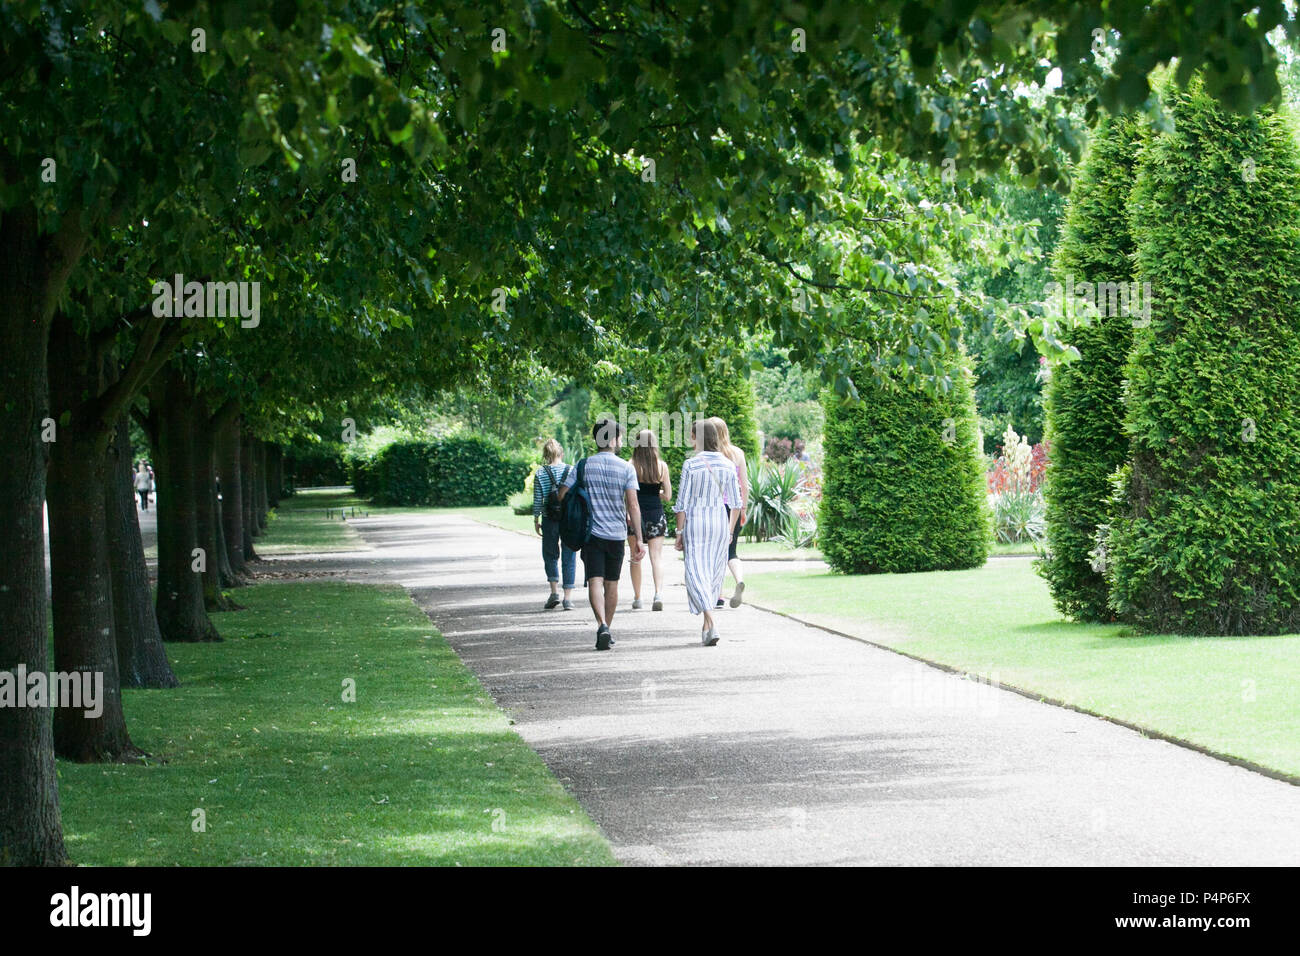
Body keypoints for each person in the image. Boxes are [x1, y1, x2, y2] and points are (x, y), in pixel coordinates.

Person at [558, 419, 646, 650]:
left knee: (594, 581)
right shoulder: (626, 468)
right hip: (616, 535)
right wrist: (639, 538)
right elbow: (633, 505)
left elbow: (563, 494)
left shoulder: (583, 465)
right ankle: (607, 626)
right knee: (612, 583)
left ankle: (601, 625)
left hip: (591, 533)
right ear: (614, 439)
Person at [674, 418, 742, 646]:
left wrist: (679, 531)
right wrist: (730, 530)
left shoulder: (691, 464)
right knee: (713, 573)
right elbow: (736, 503)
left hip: (697, 523)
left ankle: (712, 621)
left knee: (694, 572)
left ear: (698, 438)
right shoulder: (728, 464)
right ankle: (707, 626)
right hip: (720, 524)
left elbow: (681, 503)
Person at [626, 429, 672, 611]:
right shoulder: (661, 466)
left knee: (635, 556)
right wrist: (656, 493)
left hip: (635, 515)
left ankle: (637, 597)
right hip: (655, 514)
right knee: (656, 556)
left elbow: (627, 495)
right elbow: (668, 495)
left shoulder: (630, 465)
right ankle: (658, 593)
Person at [532, 438, 576, 610]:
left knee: (550, 554)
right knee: (569, 554)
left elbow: (538, 500)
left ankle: (554, 592)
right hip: (568, 518)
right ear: (561, 453)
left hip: (549, 518)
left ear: (545, 455)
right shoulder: (571, 470)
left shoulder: (540, 473)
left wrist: (536, 519)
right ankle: (568, 598)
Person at [712, 416, 749, 608]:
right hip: (734, 507)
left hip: (715, 507)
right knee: (731, 551)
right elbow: (744, 484)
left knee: (716, 552)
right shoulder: (737, 453)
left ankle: (718, 595)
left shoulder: (710, 454)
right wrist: (744, 508)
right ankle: (739, 580)